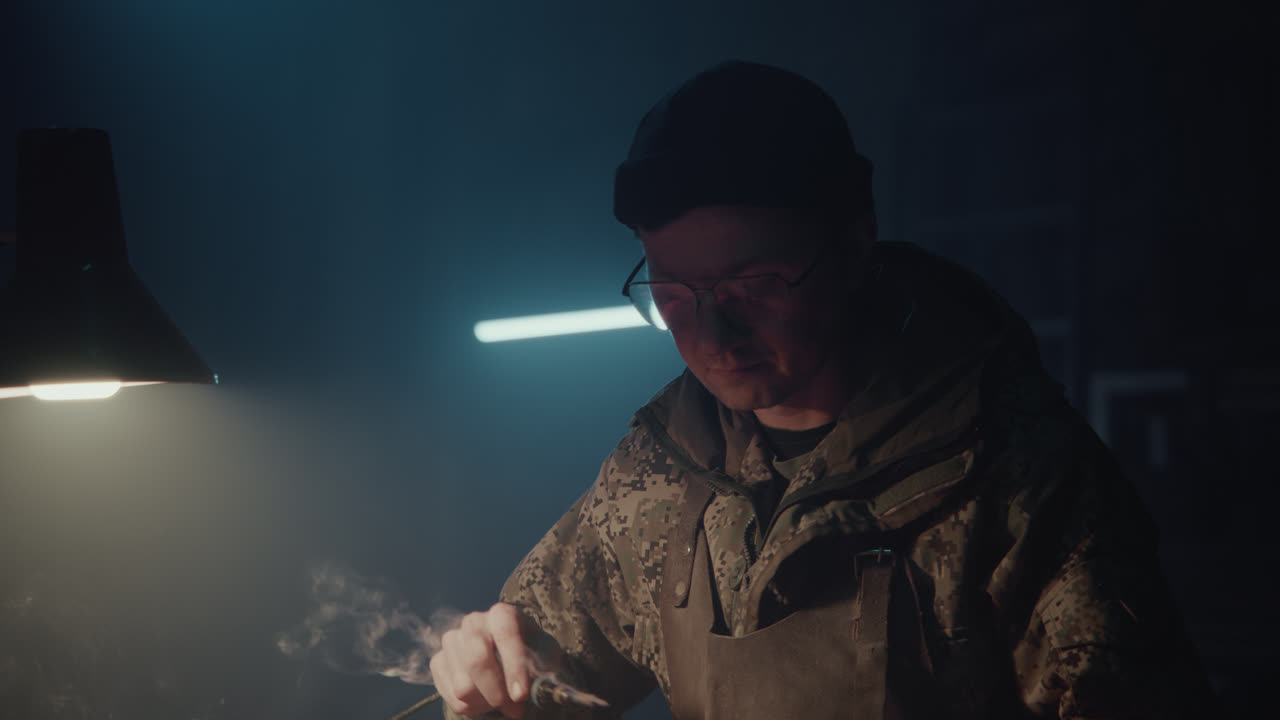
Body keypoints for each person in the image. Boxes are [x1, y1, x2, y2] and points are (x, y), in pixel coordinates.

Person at [429, 61, 1216, 719]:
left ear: (854, 241)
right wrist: (484, 685)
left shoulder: (1021, 480)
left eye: (753, 284)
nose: (711, 334)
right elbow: (532, 680)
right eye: (673, 291)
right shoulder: (661, 478)